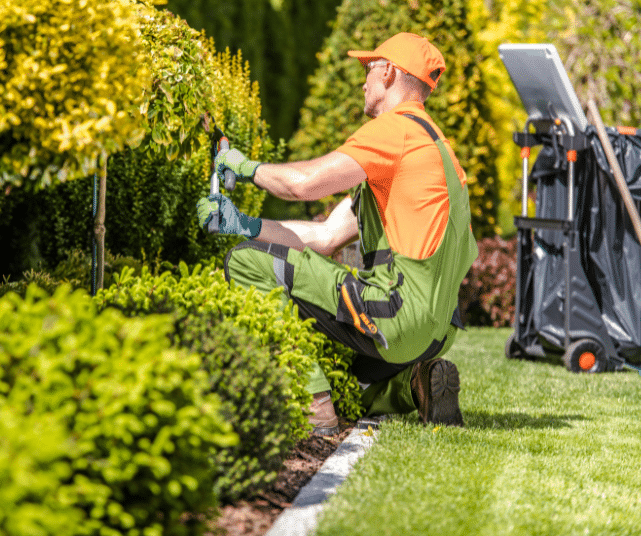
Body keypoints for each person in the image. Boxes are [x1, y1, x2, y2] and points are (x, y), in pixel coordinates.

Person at [196, 32, 478, 434]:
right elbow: (326, 236)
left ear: (390, 73)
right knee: (347, 377)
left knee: (244, 261)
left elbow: (302, 185)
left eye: (369, 69)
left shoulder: (395, 131)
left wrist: (244, 167)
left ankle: (313, 407)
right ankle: (414, 386)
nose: (363, 80)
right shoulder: (434, 149)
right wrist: (245, 224)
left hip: (396, 315)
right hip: (435, 332)